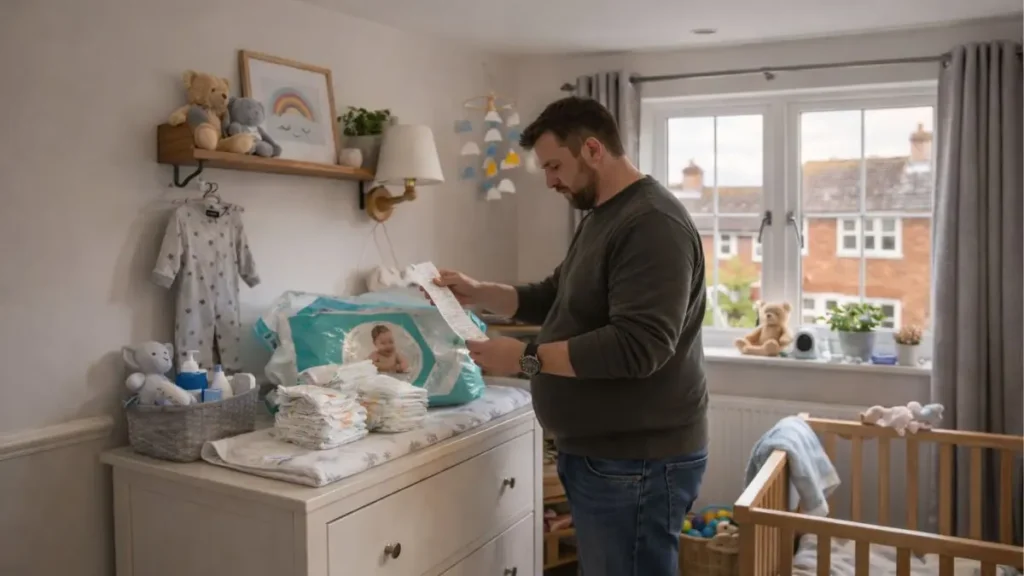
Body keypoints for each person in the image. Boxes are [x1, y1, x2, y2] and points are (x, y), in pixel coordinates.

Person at [432, 96, 709, 576]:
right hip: (606, 455)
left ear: (594, 150)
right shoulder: (604, 216)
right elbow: (556, 295)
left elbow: (637, 347)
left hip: (638, 460)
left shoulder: (651, 224)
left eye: (555, 166)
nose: (550, 181)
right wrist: (480, 292)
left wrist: (525, 359)